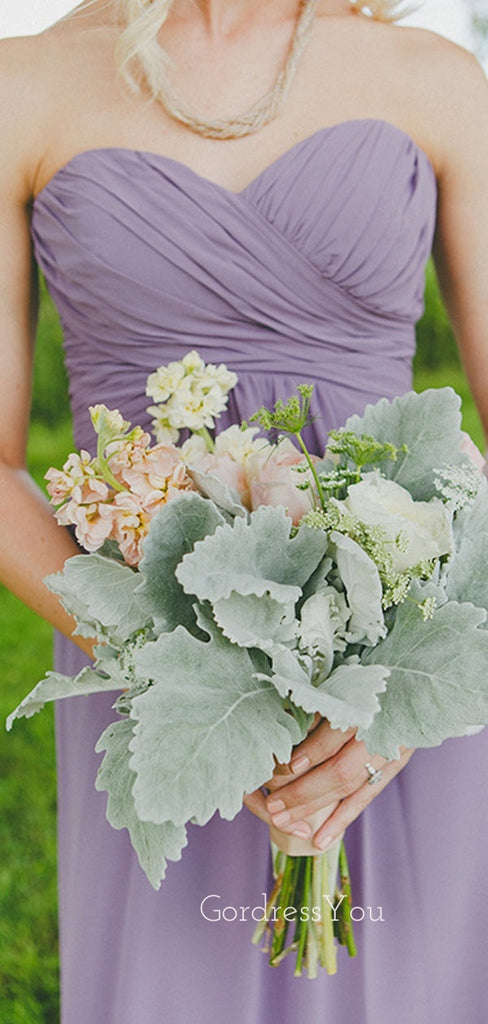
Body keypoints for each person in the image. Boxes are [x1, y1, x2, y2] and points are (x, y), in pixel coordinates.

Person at [1, 0, 488, 1020]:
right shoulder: (26, 85)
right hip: (146, 674)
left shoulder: (435, 80)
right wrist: (190, 668)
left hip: (401, 665)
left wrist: (392, 702)